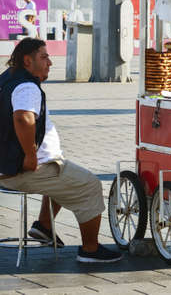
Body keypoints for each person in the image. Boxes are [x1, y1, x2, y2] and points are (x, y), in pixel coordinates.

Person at [0, 38, 122, 263]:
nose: (50, 63)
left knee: (64, 168)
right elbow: (23, 119)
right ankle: (90, 250)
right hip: (22, 170)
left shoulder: (7, 78)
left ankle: (44, 226)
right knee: (89, 185)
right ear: (28, 61)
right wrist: (30, 155)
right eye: (44, 57)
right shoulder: (27, 86)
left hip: (8, 166)